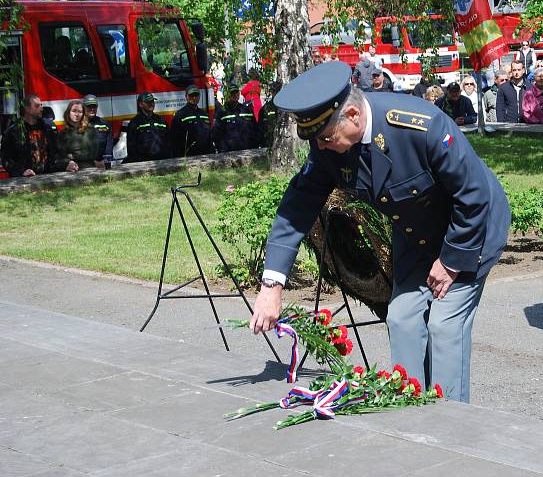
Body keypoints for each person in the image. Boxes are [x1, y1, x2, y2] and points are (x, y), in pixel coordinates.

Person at [249, 61, 511, 403]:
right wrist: (272, 285)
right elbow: (296, 206)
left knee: (444, 326)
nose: (322, 147)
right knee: (402, 318)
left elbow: (473, 194)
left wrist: (449, 262)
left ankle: (450, 424)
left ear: (354, 115)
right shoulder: (329, 144)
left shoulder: (421, 126)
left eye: (326, 137)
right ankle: (410, 408)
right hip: (416, 236)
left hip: (469, 230)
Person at [1, 94, 59, 177]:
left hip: (48, 176)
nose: (41, 108)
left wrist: (65, 164)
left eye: (41, 105)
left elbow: (57, 152)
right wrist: (22, 171)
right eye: (37, 106)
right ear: (27, 109)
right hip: (25, 179)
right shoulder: (13, 131)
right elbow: (6, 160)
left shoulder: (48, 128)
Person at [55, 99, 100, 172]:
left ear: (83, 114)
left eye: (80, 112)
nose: (77, 114)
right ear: (68, 113)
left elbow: (93, 154)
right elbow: (60, 155)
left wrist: (73, 156)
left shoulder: (90, 130)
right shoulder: (62, 133)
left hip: (89, 168)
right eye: (74, 111)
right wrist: (68, 161)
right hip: (71, 169)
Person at [213, 84, 260, 152]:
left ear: (239, 94)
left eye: (236, 92)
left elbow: (255, 129)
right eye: (232, 93)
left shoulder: (246, 110)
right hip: (229, 153)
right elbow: (217, 134)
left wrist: (254, 146)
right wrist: (222, 149)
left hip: (247, 151)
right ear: (227, 95)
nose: (234, 95)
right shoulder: (222, 112)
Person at [125, 93, 171, 162]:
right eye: (148, 102)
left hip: (162, 161)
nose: (151, 104)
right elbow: (131, 146)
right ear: (140, 104)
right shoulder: (135, 122)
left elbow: (168, 141)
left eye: (152, 101)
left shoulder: (161, 120)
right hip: (144, 163)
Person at [171, 85, 212, 157]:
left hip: (206, 155)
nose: (194, 98)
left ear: (199, 96)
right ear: (186, 97)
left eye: (196, 95)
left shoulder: (204, 114)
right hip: (189, 157)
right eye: (191, 95)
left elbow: (209, 136)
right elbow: (175, 139)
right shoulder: (180, 115)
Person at [82, 94, 113, 166]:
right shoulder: (78, 125)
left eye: (94, 106)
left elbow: (108, 146)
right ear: (83, 107)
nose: (92, 109)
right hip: (85, 165)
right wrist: (92, 162)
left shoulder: (105, 124)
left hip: (102, 163)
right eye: (89, 106)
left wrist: (106, 162)